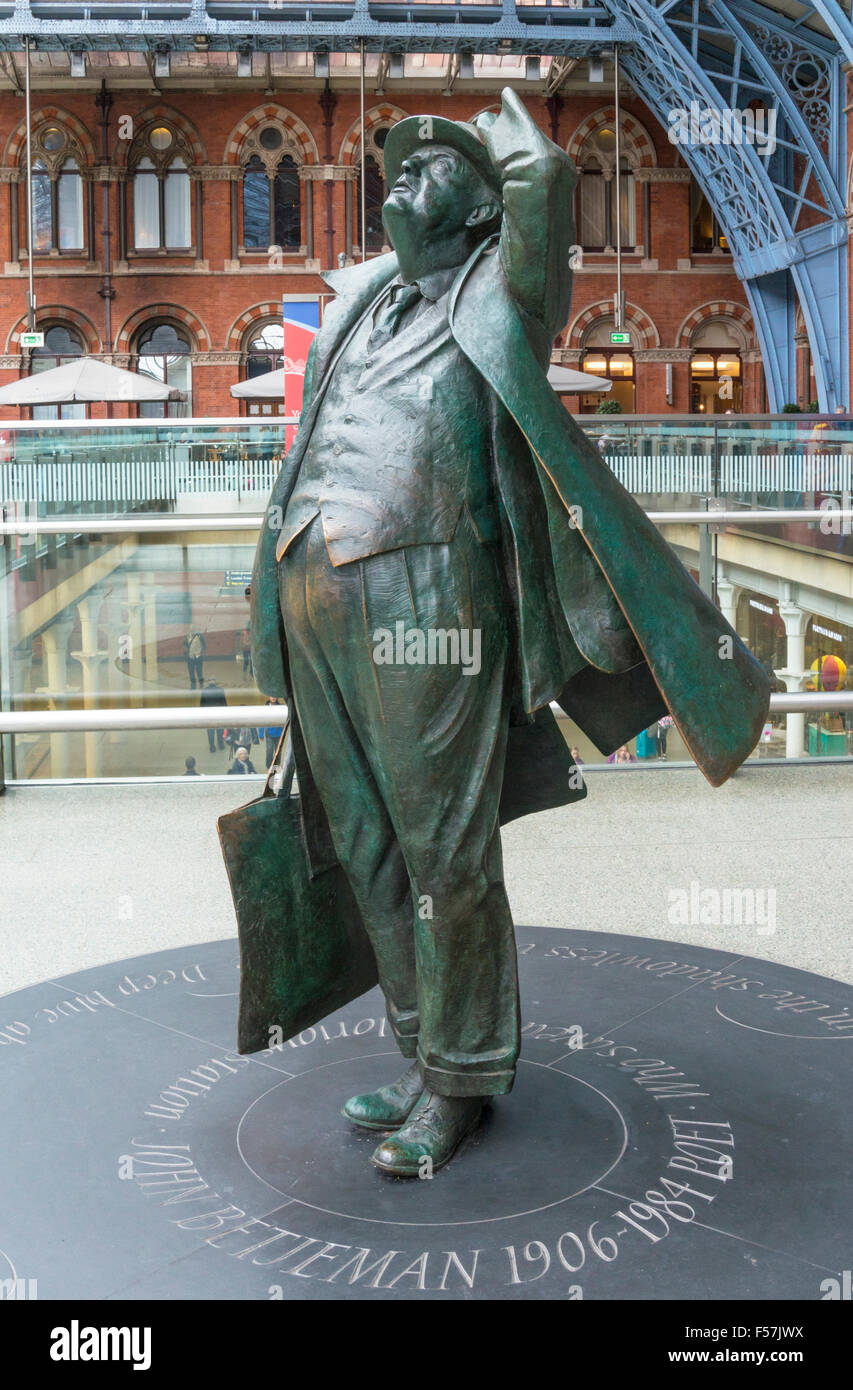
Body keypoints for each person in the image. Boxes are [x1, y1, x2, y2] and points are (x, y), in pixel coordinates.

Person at [248, 89, 770, 1177]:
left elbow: (542, 180)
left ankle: (463, 1079)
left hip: (429, 602)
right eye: (397, 161)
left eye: (432, 166)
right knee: (365, 845)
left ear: (482, 210)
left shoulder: (504, 291)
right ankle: (417, 1051)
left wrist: (490, 138)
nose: (404, 173)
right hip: (316, 595)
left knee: (445, 849)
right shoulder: (358, 300)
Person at [200, 678, 226, 753]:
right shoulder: (220, 690)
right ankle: (220, 744)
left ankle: (212, 747)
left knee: (210, 732)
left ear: (208, 683)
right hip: (219, 715)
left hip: (209, 716)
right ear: (215, 683)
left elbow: (202, 704)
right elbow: (224, 703)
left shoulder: (205, 691)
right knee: (220, 730)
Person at [264, 697, 286, 769]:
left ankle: (276, 767)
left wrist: (283, 730)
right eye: (271, 696)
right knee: (269, 751)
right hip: (269, 733)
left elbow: (284, 718)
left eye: (274, 696)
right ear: (269, 697)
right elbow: (262, 719)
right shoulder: (265, 707)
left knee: (278, 751)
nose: (273, 698)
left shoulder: (281, 707)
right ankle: (268, 767)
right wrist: (261, 733)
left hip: (279, 733)